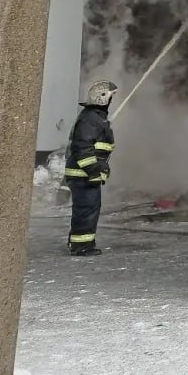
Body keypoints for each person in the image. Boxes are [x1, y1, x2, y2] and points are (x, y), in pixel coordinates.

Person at [63, 79, 118, 256]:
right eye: (110, 97)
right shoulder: (91, 119)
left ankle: (82, 243)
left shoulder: (94, 118)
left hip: (85, 174)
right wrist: (94, 170)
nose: (112, 100)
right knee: (86, 210)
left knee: (88, 209)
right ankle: (81, 246)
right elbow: (82, 147)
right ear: (102, 98)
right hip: (83, 174)